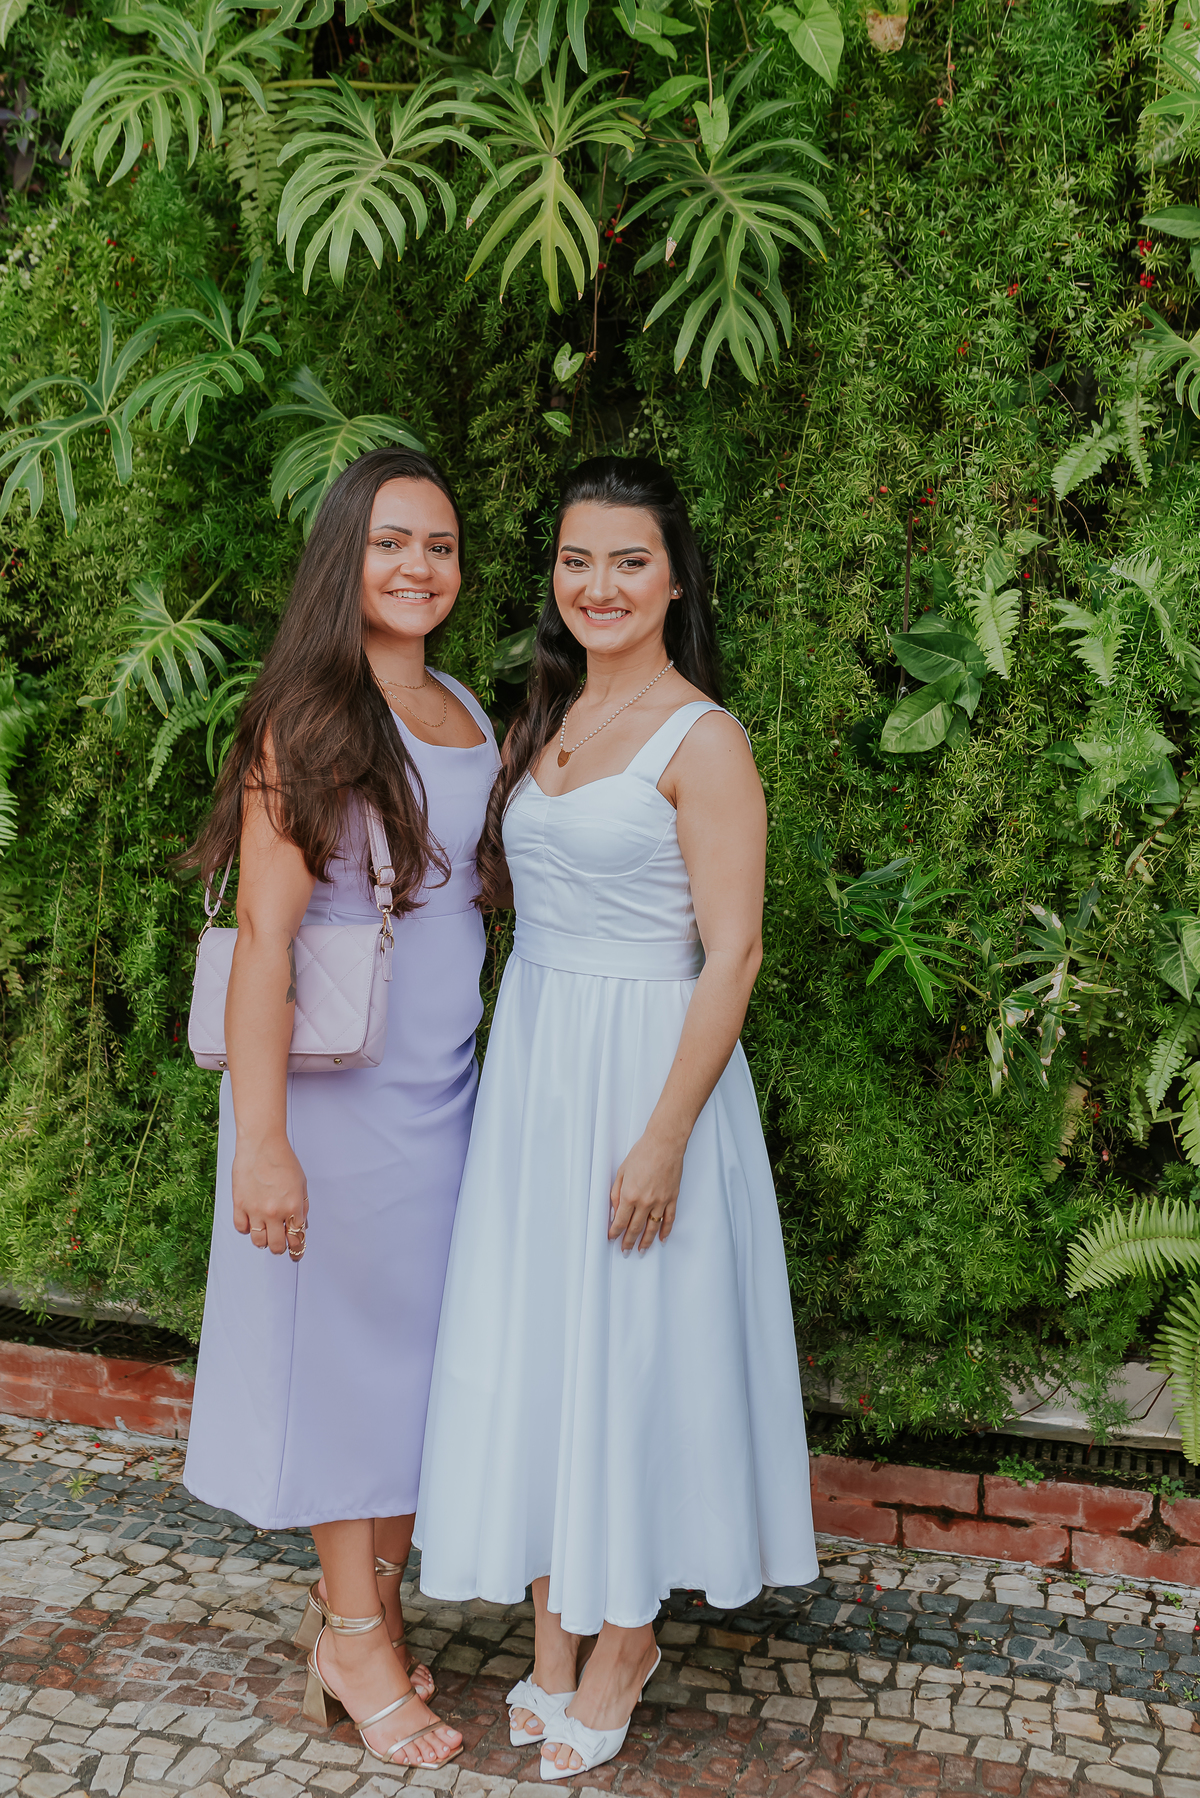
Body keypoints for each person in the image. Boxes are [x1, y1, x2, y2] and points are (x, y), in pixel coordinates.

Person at [415, 455, 817, 1780]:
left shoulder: (704, 738)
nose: (600, 584)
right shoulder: (544, 721)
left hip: (651, 1068)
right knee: (544, 1338)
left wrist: (660, 1135)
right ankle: (550, 1630)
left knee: (634, 1344)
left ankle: (626, 1638)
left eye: (629, 560)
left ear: (676, 577)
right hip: (541, 1066)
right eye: (579, 560)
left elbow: (739, 949)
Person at [183, 448, 499, 1771]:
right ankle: (358, 1639)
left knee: (415, 1368)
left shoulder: (463, 704)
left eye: (437, 543)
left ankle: (348, 1615)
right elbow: (264, 938)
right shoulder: (309, 718)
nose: (416, 565)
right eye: (389, 543)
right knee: (343, 1367)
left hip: (443, 1093)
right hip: (331, 1107)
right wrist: (263, 1142)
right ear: (342, 560)